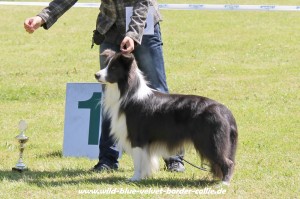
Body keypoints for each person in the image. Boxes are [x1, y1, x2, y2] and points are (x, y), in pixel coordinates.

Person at [24, 0, 185, 172]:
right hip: (110, 28)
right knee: (109, 97)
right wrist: (42, 17)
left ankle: (173, 158)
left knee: (158, 91)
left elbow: (142, 3)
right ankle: (108, 160)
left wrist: (132, 34)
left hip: (143, 25)